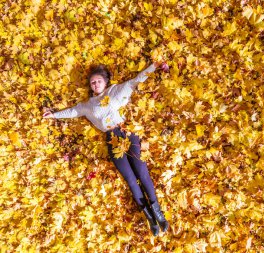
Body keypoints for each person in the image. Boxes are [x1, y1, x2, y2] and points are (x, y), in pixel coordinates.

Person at [42, 61, 169, 236]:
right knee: (130, 180)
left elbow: (135, 81)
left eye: (98, 81)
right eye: (92, 82)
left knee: (141, 172)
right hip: (111, 139)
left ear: (105, 81)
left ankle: (158, 213)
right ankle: (149, 217)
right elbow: (72, 112)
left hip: (127, 134)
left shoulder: (115, 91)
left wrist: (153, 66)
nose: (95, 84)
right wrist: (54, 115)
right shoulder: (88, 105)